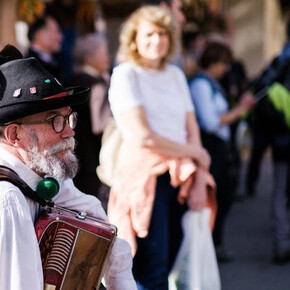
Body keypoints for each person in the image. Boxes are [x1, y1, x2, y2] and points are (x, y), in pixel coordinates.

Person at [0, 44, 137, 290]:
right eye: (55, 121)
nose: (69, 131)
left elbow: (100, 223)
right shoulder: (7, 199)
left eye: (68, 117)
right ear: (14, 135)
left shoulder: (39, 175)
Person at [107, 6, 214, 289]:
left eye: (163, 33)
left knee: (175, 263)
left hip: (182, 175)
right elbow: (144, 136)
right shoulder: (125, 74)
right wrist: (195, 154)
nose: (157, 40)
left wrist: (200, 178)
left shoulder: (176, 76)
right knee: (151, 269)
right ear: (134, 39)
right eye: (150, 33)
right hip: (146, 177)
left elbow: (192, 130)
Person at [189, 41, 256, 262]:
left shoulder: (210, 83)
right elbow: (210, 122)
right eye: (224, 64)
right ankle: (209, 247)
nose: (227, 69)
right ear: (214, 62)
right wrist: (240, 110)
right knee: (214, 196)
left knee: (223, 195)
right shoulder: (200, 85)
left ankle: (213, 244)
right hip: (210, 147)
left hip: (218, 146)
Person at [245, 18, 290, 263]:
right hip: (283, 139)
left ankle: (281, 242)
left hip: (282, 140)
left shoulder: (280, 59)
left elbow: (261, 87)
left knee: (280, 191)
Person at [69, 34, 111, 201]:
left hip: (75, 159)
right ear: (89, 58)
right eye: (104, 53)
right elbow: (102, 126)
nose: (108, 58)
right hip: (93, 163)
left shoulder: (71, 81)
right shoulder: (95, 85)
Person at [26, 15, 63, 81]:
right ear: (40, 35)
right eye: (56, 31)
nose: (60, 37)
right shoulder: (28, 66)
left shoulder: (55, 62)